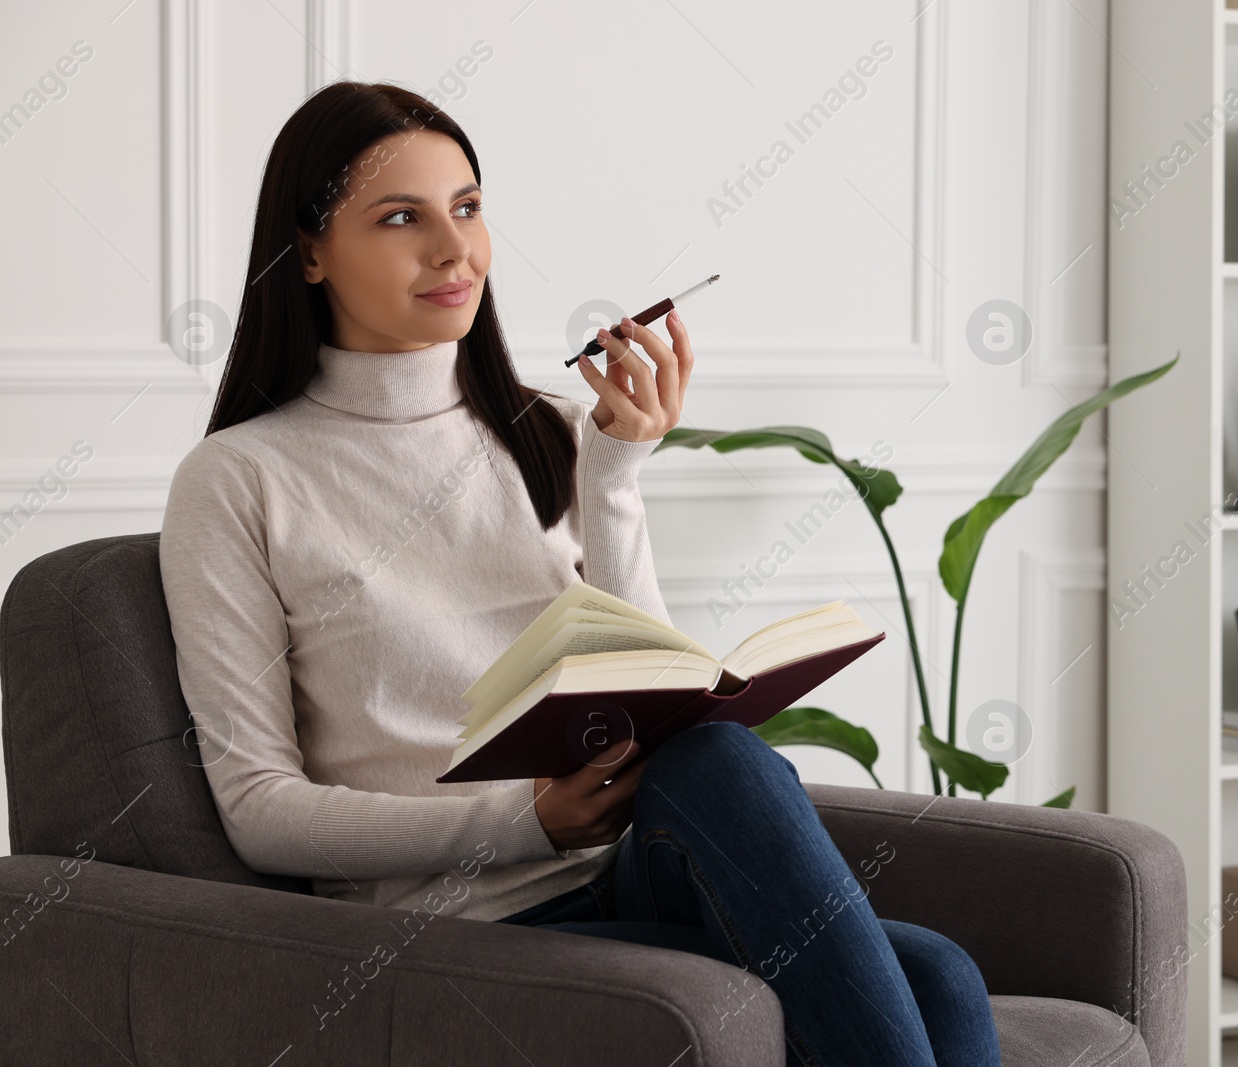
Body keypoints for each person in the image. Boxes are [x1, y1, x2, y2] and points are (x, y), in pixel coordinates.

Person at [159, 80, 1001, 1066]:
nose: (454, 249)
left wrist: (614, 478)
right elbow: (260, 808)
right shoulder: (239, 479)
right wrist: (527, 818)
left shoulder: (550, 429)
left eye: (467, 208)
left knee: (892, 922)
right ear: (308, 251)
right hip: (464, 915)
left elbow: (653, 693)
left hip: (629, 865)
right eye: (401, 218)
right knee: (925, 980)